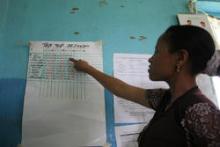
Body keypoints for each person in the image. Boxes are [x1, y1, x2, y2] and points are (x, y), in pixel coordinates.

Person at [69, 25, 220, 147]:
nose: (151, 59)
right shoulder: (166, 99)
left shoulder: (201, 112)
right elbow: (121, 89)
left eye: (157, 51)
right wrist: (88, 68)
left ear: (180, 58)